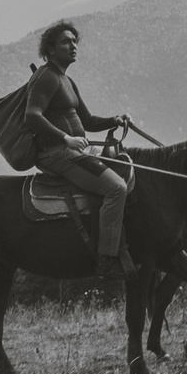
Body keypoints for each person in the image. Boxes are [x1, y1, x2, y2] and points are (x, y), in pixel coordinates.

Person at [22, 20, 139, 275]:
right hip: (58, 154)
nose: (73, 45)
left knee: (125, 169)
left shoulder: (65, 79)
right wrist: (66, 139)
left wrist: (114, 120)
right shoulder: (46, 77)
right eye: (66, 41)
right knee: (116, 189)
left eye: (74, 41)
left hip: (75, 150)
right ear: (51, 49)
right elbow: (32, 115)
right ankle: (107, 259)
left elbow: (86, 121)